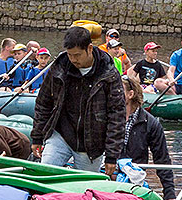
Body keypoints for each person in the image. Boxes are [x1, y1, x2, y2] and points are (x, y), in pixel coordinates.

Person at [30, 24, 125, 173]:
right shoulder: (60, 66)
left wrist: (112, 156)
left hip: (91, 144)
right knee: (44, 172)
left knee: (84, 187)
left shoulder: (109, 73)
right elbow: (43, 102)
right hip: (60, 134)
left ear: (89, 49)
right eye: (70, 54)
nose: (73, 59)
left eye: (77, 55)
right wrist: (37, 136)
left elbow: (117, 115)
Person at [120, 75, 176, 200]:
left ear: (130, 94)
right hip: (107, 175)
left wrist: (169, 193)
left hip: (134, 179)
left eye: (118, 90)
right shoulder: (108, 118)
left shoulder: (150, 123)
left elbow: (162, 159)